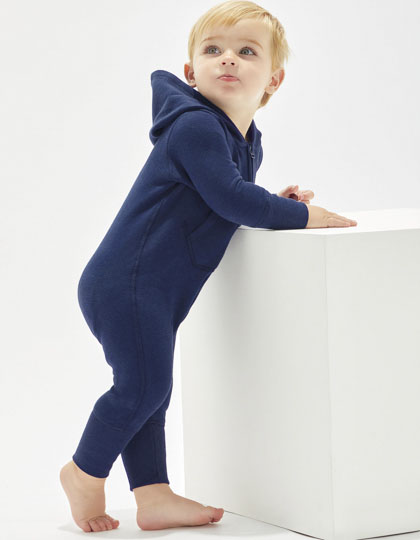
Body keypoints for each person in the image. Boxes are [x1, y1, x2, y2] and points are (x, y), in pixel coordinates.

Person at [59, 0, 357, 533]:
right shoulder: (195, 126)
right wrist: (303, 214)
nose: (228, 59)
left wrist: (273, 200)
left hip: (156, 286)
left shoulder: (243, 139)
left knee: (151, 389)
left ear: (274, 80)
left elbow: (223, 198)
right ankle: (84, 471)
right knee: (142, 388)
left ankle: (153, 495)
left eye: (247, 52)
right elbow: (232, 200)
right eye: (213, 50)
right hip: (128, 282)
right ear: (191, 72)